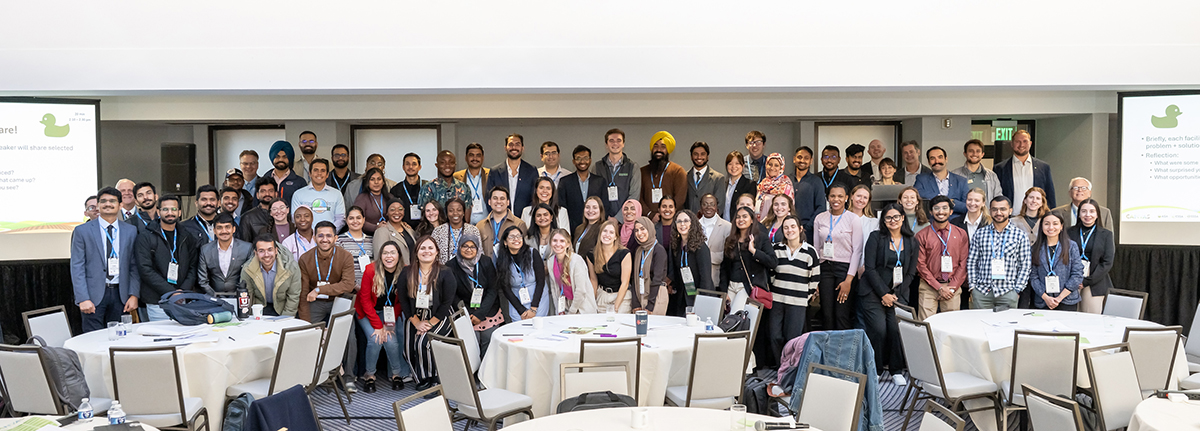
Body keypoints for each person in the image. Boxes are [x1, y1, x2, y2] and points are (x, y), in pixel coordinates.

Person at [860, 203, 917, 382]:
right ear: (883, 221)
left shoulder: (911, 240)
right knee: (878, 329)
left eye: (896, 217)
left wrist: (895, 294)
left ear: (902, 218)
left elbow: (911, 273)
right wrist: (884, 293)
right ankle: (875, 369)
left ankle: (896, 371)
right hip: (873, 292)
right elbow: (869, 268)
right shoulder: (876, 237)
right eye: (888, 218)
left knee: (895, 329)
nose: (892, 221)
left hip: (898, 294)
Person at [71, 187, 140, 332]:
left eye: (112, 201)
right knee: (92, 340)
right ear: (98, 205)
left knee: (120, 339)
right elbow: (77, 266)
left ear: (120, 205)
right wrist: (82, 298)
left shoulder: (130, 230)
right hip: (93, 296)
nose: (107, 204)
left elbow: (134, 265)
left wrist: (134, 294)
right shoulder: (82, 231)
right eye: (103, 201)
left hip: (121, 295)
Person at [354, 240, 414, 393]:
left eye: (392, 252)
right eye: (385, 253)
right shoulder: (370, 270)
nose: (389, 256)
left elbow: (401, 302)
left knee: (391, 339)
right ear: (380, 256)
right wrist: (378, 326)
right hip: (367, 312)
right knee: (375, 339)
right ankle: (370, 375)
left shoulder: (405, 272)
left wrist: (388, 324)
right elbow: (365, 300)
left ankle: (396, 374)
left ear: (399, 255)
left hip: (391, 313)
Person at [399, 236, 457, 391]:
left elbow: (447, 303)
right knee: (408, 347)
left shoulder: (446, 272)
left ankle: (434, 379)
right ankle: (421, 377)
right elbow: (403, 300)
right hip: (415, 314)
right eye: (422, 248)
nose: (426, 251)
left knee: (424, 343)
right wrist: (417, 322)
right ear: (416, 252)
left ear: (437, 252)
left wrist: (429, 324)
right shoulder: (407, 272)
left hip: (440, 315)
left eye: (430, 248)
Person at [136, 195, 200, 320]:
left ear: (180, 212)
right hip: (157, 301)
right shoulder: (146, 236)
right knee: (161, 337)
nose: (170, 213)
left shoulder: (187, 236)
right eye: (165, 209)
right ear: (158, 212)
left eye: (174, 209)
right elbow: (145, 270)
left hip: (183, 300)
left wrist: (182, 292)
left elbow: (193, 267)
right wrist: (171, 293)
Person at [966, 196, 1032, 309]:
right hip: (982, 292)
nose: (999, 212)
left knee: (1007, 326)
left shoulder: (1020, 235)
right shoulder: (980, 234)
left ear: (1010, 210)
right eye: (995, 209)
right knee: (980, 325)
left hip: (1008, 291)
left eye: (1003, 209)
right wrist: (973, 287)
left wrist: (1017, 289)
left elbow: (1025, 265)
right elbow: (972, 262)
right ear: (990, 211)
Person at [813, 184, 863, 330]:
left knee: (842, 314)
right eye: (833, 196)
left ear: (847, 198)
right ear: (828, 198)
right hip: (825, 268)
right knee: (827, 314)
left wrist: (849, 280)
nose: (836, 199)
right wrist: (815, 277)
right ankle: (829, 350)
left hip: (844, 269)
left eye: (840, 196)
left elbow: (857, 251)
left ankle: (844, 351)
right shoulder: (820, 218)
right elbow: (816, 249)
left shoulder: (853, 219)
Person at [769, 215, 818, 363]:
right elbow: (771, 274)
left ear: (800, 229)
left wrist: (805, 296)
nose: (789, 230)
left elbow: (814, 278)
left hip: (798, 302)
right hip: (777, 299)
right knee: (775, 335)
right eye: (786, 227)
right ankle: (780, 365)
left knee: (793, 338)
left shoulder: (810, 252)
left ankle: (790, 367)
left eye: (792, 227)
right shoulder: (776, 249)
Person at [447, 231, 504, 354]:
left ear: (478, 248)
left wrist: (480, 313)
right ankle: (474, 373)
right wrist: (469, 313)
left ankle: (487, 373)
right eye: (465, 246)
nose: (469, 249)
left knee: (489, 345)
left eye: (472, 246)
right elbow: (452, 294)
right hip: (466, 312)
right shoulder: (451, 266)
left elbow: (492, 289)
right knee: (471, 347)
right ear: (459, 247)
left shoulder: (486, 262)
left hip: (488, 311)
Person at [915, 196, 969, 319]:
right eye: (936, 208)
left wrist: (952, 287)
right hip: (928, 287)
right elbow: (920, 265)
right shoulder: (922, 235)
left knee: (950, 326)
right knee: (925, 325)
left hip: (952, 287)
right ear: (930, 211)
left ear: (951, 211)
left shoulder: (961, 234)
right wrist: (939, 287)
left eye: (945, 208)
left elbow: (963, 263)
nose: (940, 212)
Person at [720, 206, 778, 315]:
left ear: (752, 220)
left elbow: (773, 262)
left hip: (747, 286)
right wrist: (724, 291)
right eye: (738, 217)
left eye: (744, 216)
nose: (741, 219)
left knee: (735, 318)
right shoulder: (731, 240)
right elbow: (724, 268)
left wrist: (754, 251)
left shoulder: (760, 238)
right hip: (731, 286)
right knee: (727, 318)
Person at [298, 221, 356, 323]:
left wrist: (319, 290)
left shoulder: (346, 256)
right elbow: (303, 293)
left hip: (338, 299)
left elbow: (348, 285)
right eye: (320, 236)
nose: (325, 240)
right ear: (314, 238)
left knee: (347, 336)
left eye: (329, 236)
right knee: (307, 333)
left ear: (335, 238)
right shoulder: (305, 259)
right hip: (315, 302)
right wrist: (305, 322)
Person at [1067, 199, 1114, 314]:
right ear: (1079, 214)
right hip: (1071, 280)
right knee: (1070, 317)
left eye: (1092, 211)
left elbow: (1107, 262)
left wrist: (1087, 281)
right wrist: (1075, 280)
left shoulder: (1106, 234)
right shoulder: (1068, 232)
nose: (1088, 215)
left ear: (1097, 214)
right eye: (1084, 211)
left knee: (1091, 318)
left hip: (1095, 281)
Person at [1029, 213, 1084, 311]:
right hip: (1043, 301)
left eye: (1055, 224)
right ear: (1041, 226)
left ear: (1061, 226)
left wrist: (1059, 298)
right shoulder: (1035, 248)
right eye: (1046, 224)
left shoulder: (1071, 246)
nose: (1051, 227)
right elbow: (1033, 276)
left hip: (1067, 300)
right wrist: (1046, 297)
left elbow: (1077, 274)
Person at [994, 130, 1057, 213]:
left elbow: (1050, 195)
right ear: (1012, 144)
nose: (1021, 145)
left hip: (1037, 218)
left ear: (1030, 144)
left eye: (1025, 141)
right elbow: (996, 196)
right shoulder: (1000, 168)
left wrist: (1051, 215)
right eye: (1018, 142)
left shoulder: (1043, 167)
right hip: (1010, 219)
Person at [497, 225, 549, 320]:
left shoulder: (533, 253)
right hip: (517, 303)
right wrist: (521, 310)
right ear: (505, 242)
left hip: (538, 300)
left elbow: (541, 281)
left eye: (519, 236)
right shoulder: (502, 260)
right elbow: (506, 288)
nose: (516, 239)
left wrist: (533, 308)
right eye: (512, 237)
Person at [242, 234, 301, 317]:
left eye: (270, 250)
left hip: (282, 308)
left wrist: (285, 319)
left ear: (276, 250)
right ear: (256, 253)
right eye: (261, 251)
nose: (266, 255)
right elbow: (248, 296)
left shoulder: (291, 267)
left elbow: (293, 296)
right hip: (260, 308)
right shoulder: (248, 269)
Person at [198, 212, 253, 297]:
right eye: (219, 228)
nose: (224, 231)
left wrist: (237, 295)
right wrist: (216, 297)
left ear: (233, 229)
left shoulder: (246, 248)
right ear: (214, 230)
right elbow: (202, 281)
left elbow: (248, 278)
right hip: (214, 299)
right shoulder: (205, 250)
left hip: (240, 297)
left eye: (227, 227)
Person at [593, 129, 642, 222]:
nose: (615, 143)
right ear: (606, 144)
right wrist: (605, 217)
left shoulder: (633, 167)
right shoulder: (597, 167)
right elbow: (595, 195)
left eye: (618, 140)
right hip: (603, 220)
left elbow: (634, 196)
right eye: (611, 140)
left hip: (626, 221)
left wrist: (618, 218)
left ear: (623, 144)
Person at [486, 134, 539, 217]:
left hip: (525, 220)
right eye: (510, 144)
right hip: (501, 220)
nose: (514, 147)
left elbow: (535, 197)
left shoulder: (531, 171)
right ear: (505, 148)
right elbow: (489, 198)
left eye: (517, 144)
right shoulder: (495, 172)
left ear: (522, 148)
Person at [547, 229, 598, 314]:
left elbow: (581, 290)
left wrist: (571, 312)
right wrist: (559, 310)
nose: (558, 244)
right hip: (566, 305)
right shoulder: (551, 261)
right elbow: (554, 289)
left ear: (568, 244)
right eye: (555, 240)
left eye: (562, 241)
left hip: (582, 307)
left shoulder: (576, 260)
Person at [639, 131, 687, 222]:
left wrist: (666, 213)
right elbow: (638, 196)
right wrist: (650, 214)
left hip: (672, 221)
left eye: (663, 146)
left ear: (668, 150)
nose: (659, 150)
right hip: (647, 221)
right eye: (655, 146)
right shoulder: (642, 172)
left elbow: (680, 198)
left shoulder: (678, 171)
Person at [670, 210, 713, 312]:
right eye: (679, 221)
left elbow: (705, 278)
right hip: (683, 297)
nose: (682, 224)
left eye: (686, 221)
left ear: (692, 223)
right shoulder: (677, 246)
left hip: (700, 298)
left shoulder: (701, 248)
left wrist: (702, 301)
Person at [589, 219, 633, 314]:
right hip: (602, 295)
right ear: (600, 234)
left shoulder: (624, 254)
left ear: (616, 237)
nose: (607, 235)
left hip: (621, 296)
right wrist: (593, 301)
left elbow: (625, 283)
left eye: (611, 232)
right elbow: (593, 280)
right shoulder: (592, 255)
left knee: (617, 323)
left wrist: (615, 307)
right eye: (604, 231)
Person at [628, 217, 670, 315]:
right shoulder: (639, 250)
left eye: (643, 229)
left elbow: (657, 279)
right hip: (640, 295)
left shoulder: (659, 250)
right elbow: (634, 277)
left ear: (650, 229)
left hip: (656, 296)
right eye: (636, 230)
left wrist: (650, 306)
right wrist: (635, 304)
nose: (639, 233)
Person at [559, 145, 606, 231]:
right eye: (578, 158)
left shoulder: (600, 181)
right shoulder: (565, 182)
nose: (582, 161)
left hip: (596, 229)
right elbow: (562, 207)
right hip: (572, 228)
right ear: (573, 161)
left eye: (585, 158)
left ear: (590, 160)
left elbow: (605, 206)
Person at [914, 146, 968, 216]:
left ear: (946, 159)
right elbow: (916, 195)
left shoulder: (961, 181)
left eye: (940, 157)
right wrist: (942, 199)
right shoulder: (921, 179)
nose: (937, 161)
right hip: (930, 223)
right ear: (929, 162)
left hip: (954, 223)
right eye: (932, 158)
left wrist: (952, 203)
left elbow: (967, 207)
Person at [475, 186, 527, 258]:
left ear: (508, 202)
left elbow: (523, 251)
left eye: (502, 198)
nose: (498, 201)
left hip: (510, 267)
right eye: (495, 198)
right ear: (489, 202)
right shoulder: (480, 225)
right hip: (486, 268)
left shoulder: (519, 224)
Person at [792, 146, 827, 244]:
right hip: (788, 230)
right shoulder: (786, 180)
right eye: (799, 157)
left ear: (811, 161)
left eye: (806, 158)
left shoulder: (816, 182)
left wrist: (807, 226)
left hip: (808, 231)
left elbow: (821, 207)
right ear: (794, 159)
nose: (802, 160)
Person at [431, 197, 481, 264]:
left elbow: (479, 253)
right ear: (447, 213)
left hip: (467, 271)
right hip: (444, 271)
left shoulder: (473, 230)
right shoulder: (438, 231)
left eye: (459, 210)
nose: (455, 213)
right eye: (451, 210)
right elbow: (433, 255)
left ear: (463, 212)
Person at [336, 206, 374, 288]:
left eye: (358, 218)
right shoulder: (339, 241)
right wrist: (354, 285)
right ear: (346, 220)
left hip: (370, 288)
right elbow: (338, 268)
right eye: (351, 218)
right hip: (348, 290)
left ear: (363, 220)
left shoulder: (371, 240)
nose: (355, 221)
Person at [698, 194, 733, 283]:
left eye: (712, 204)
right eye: (705, 204)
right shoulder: (694, 226)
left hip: (718, 278)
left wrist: (706, 256)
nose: (708, 207)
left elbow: (729, 254)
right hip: (698, 276)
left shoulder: (727, 227)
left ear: (716, 207)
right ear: (701, 207)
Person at [453, 143, 491, 225]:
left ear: (483, 158)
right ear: (466, 158)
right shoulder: (456, 177)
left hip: (487, 224)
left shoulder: (491, 174)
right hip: (465, 223)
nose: (475, 158)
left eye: (478, 155)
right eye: (471, 155)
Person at [390, 153, 429, 228]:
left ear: (419, 167)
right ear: (403, 167)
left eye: (414, 164)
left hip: (426, 228)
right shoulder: (396, 190)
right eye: (407, 164)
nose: (410, 167)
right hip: (404, 229)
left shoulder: (428, 187)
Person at [848, 185, 879, 282]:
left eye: (865, 197)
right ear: (851, 196)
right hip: (843, 268)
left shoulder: (874, 222)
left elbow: (874, 248)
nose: (861, 200)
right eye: (858, 196)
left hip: (864, 270)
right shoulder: (842, 218)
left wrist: (865, 266)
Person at [686, 141, 726, 214]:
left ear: (708, 156)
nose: (699, 157)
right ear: (691, 157)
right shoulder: (684, 177)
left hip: (709, 223)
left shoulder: (718, 178)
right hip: (688, 222)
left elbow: (719, 206)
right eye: (695, 154)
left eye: (702, 154)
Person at [267, 140, 307, 207]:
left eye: (285, 157)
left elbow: (304, 206)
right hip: (266, 217)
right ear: (272, 157)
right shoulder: (264, 180)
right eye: (277, 156)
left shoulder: (300, 182)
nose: (281, 160)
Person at [353, 168, 392, 235]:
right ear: (367, 182)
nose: (376, 182)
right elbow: (357, 220)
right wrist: (376, 227)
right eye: (372, 179)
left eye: (379, 179)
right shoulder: (361, 198)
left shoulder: (390, 197)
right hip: (368, 236)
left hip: (389, 234)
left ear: (383, 182)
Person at [756, 153, 794, 220]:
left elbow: (788, 209)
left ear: (781, 167)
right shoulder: (763, 184)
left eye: (776, 165)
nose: (772, 168)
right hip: (760, 224)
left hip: (777, 224)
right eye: (770, 164)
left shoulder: (785, 184)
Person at [181, 185, 220, 249]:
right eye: (204, 200)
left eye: (212, 199)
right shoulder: (185, 227)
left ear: (218, 203)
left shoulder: (227, 225)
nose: (208, 203)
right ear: (196, 203)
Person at [240, 177, 278, 242]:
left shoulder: (283, 215)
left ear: (276, 194)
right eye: (263, 191)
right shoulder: (248, 217)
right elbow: (245, 245)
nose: (267, 194)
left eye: (270, 191)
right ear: (257, 195)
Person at [722, 151, 757, 220]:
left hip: (739, 224)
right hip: (723, 226)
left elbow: (749, 209)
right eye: (730, 164)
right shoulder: (723, 184)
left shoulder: (749, 184)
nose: (733, 167)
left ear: (743, 165)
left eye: (737, 163)